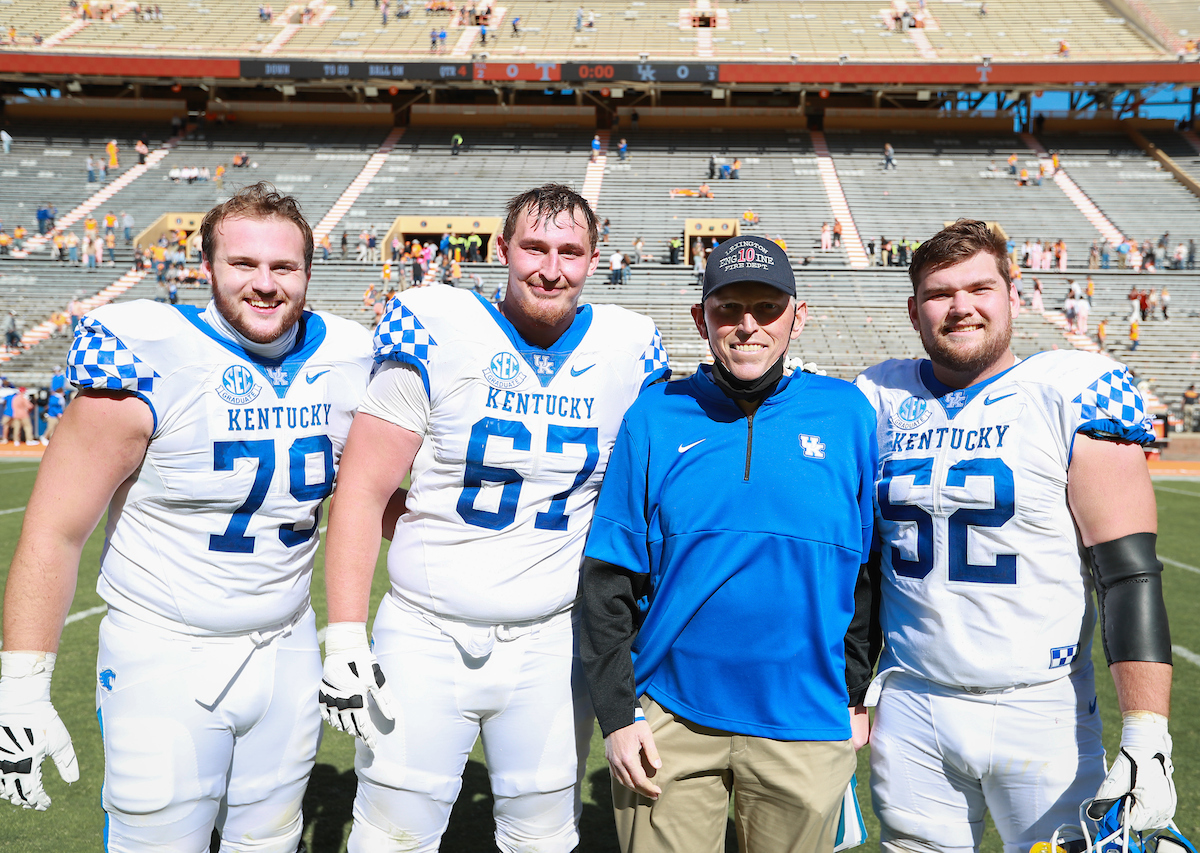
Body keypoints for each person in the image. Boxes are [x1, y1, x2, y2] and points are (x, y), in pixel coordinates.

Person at [0, 184, 374, 850]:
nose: (265, 283)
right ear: (206, 268)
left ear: (309, 274)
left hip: (287, 646)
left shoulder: (348, 357)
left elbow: (376, 491)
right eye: (243, 265)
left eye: (283, 267)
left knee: (271, 841)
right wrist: (22, 686)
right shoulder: (154, 353)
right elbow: (54, 531)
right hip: (164, 654)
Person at [317, 183, 670, 853]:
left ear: (594, 259)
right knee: (389, 834)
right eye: (534, 248)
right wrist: (344, 638)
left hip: (552, 639)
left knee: (542, 836)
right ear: (503, 251)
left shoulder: (628, 349)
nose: (551, 267)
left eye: (570, 251)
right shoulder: (440, 325)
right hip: (424, 630)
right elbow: (362, 488)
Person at [855, 220, 1176, 853]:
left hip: (1039, 707)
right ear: (914, 310)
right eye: (940, 293)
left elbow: (1128, 571)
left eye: (980, 287)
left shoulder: (1069, 389)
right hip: (912, 701)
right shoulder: (877, 394)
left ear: (1014, 294)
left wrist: (1147, 733)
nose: (961, 307)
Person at [580, 234, 877, 853]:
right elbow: (608, 579)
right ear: (701, 318)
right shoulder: (653, 415)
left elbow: (865, 573)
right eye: (728, 308)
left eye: (767, 308)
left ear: (798, 314)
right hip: (669, 718)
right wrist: (618, 715)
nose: (748, 326)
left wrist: (853, 695)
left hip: (806, 718)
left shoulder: (848, 413)